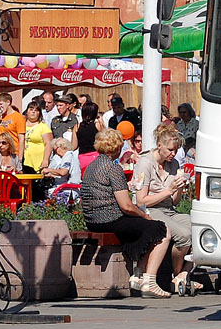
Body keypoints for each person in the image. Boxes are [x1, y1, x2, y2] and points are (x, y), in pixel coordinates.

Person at [81, 127, 172, 298]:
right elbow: (126, 206)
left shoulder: (92, 166)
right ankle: (149, 281)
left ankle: (139, 274)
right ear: (116, 148)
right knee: (161, 229)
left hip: (92, 220)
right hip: (109, 219)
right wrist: (144, 215)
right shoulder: (113, 168)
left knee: (144, 228)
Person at [132, 125, 196, 292]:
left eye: (175, 150)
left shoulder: (173, 164)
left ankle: (184, 273)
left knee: (201, 227)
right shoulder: (145, 163)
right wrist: (168, 190)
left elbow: (174, 202)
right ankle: (177, 274)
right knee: (184, 235)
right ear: (159, 145)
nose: (173, 154)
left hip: (168, 209)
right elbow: (141, 201)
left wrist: (179, 186)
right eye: (170, 150)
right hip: (150, 210)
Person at [21, 102, 54, 177]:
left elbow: (49, 143)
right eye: (31, 109)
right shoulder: (21, 125)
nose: (33, 112)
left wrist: (46, 160)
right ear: (27, 111)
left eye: (36, 110)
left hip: (37, 161)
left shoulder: (43, 127)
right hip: (23, 160)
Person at [0, 92, 26, 158]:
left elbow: (21, 138)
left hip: (14, 153)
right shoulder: (0, 118)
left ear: (8, 102)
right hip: (1, 153)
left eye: (1, 104)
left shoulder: (18, 117)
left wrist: (20, 157)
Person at [76, 102, 101, 173]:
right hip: (96, 155)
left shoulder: (77, 126)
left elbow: (74, 145)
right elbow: (104, 139)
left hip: (82, 157)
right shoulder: (97, 124)